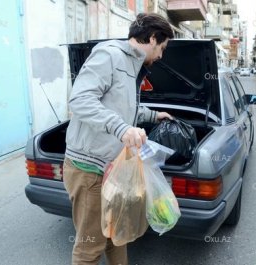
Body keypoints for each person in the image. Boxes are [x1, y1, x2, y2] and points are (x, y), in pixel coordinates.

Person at [62, 13, 174, 265]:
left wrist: (154, 115)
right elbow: (80, 100)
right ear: (153, 38)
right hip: (90, 168)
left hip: (114, 170)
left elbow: (120, 107)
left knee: (117, 235)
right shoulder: (109, 55)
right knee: (90, 247)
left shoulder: (134, 66)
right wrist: (122, 129)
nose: (161, 56)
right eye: (162, 48)